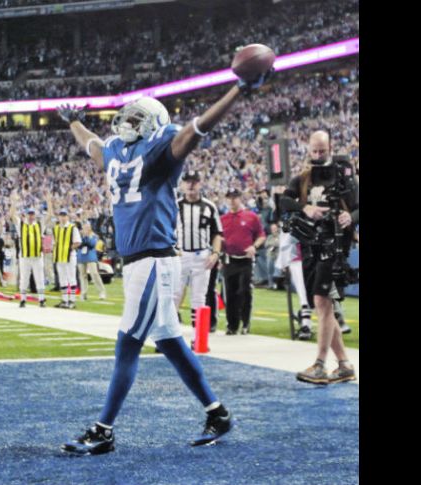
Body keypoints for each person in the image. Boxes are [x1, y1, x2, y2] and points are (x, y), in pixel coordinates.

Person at [57, 66, 271, 454]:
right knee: (170, 341)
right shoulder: (118, 151)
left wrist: (237, 90)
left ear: (154, 123)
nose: (127, 121)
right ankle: (217, 413)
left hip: (155, 259)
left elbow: (197, 129)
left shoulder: (162, 147)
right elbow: (90, 143)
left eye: (137, 117)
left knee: (128, 342)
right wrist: (73, 122)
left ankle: (104, 429)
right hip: (139, 262)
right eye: (128, 115)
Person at [279, 130, 358, 385]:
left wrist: (351, 218)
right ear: (308, 148)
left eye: (322, 151)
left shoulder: (344, 174)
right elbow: (284, 200)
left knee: (322, 302)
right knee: (323, 306)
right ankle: (344, 364)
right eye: (314, 150)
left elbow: (358, 206)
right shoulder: (303, 177)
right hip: (311, 245)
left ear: (330, 147)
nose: (317, 155)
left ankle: (321, 364)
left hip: (335, 245)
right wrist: (306, 207)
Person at [173, 170, 223, 332]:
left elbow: (217, 233)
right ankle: (169, 335)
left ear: (200, 184)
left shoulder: (209, 206)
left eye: (194, 181)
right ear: (182, 184)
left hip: (202, 255)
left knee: (199, 297)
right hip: (180, 254)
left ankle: (199, 337)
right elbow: (165, 229)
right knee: (174, 295)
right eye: (187, 181)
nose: (191, 185)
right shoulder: (176, 206)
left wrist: (215, 253)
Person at [220, 189, 266, 335]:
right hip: (229, 259)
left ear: (240, 199)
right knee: (229, 292)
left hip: (245, 259)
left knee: (244, 291)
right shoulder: (222, 219)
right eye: (229, 198)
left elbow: (261, 235)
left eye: (235, 197)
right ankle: (232, 325)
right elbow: (217, 238)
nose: (232, 200)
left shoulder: (251, 217)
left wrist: (254, 246)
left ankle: (245, 322)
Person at [9, 193, 47, 308]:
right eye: (29, 214)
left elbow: (50, 216)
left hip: (37, 256)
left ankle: (41, 299)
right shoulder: (21, 225)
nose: (31, 216)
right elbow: (12, 215)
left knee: (39, 277)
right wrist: (14, 202)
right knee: (24, 278)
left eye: (32, 214)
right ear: (26, 215)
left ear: (35, 215)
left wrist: (49, 201)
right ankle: (23, 299)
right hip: (25, 256)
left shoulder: (39, 225)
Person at [50, 206, 82, 309]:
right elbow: (54, 243)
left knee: (71, 278)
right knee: (62, 278)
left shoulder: (73, 228)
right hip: (59, 256)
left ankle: (72, 300)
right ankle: (64, 300)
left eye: (64, 216)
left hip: (70, 256)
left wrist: (68, 249)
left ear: (67, 217)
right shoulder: (56, 228)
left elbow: (78, 242)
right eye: (61, 216)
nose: (63, 218)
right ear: (59, 217)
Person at [77, 222, 107, 301]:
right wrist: (83, 238)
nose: (86, 229)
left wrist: (87, 237)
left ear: (90, 228)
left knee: (94, 273)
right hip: (81, 256)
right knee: (82, 275)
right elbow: (78, 245)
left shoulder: (94, 236)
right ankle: (84, 293)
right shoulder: (79, 235)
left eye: (87, 227)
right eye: (84, 227)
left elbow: (92, 244)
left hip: (90, 255)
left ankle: (102, 292)